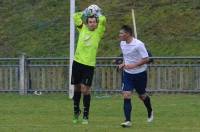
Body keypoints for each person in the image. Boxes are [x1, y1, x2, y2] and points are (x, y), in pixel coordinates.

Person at [71, 4, 106, 125]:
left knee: (85, 90)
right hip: (77, 62)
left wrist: (97, 13)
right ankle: (76, 111)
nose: (92, 23)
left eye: (93, 22)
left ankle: (86, 115)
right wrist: (86, 11)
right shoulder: (82, 28)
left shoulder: (98, 32)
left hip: (89, 65)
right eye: (90, 22)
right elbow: (75, 16)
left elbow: (103, 19)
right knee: (76, 87)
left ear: (96, 23)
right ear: (87, 22)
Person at [118, 25, 153, 127]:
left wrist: (134, 65)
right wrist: (123, 64)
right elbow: (126, 56)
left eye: (121, 33)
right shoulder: (122, 43)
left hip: (140, 74)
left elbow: (146, 59)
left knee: (142, 95)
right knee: (126, 94)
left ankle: (150, 111)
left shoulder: (139, 44)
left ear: (128, 34)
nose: (119, 35)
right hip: (128, 74)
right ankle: (128, 121)